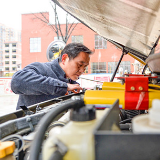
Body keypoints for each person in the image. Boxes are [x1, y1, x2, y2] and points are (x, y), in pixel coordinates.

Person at [11, 43, 92, 110]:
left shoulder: (71, 84)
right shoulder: (41, 68)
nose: (82, 70)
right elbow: (17, 82)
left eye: (85, 67)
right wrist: (63, 87)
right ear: (65, 58)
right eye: (80, 65)